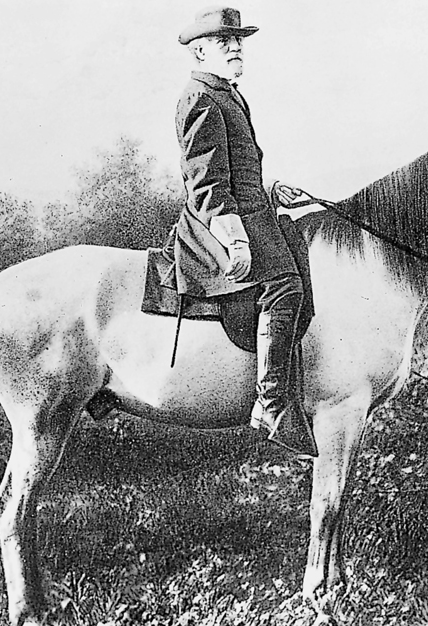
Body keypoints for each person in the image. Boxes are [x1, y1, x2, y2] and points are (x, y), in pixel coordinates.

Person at [171, 6, 317, 457]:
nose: (236, 48)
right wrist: (234, 236)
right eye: (224, 42)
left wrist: (272, 189)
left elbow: (236, 167)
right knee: (286, 285)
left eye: (238, 41)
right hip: (218, 221)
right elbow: (206, 181)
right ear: (200, 51)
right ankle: (271, 403)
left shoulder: (226, 92)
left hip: (252, 210)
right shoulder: (200, 97)